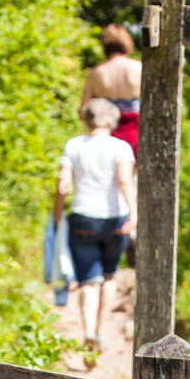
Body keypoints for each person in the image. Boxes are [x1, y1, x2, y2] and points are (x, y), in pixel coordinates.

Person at [53, 97, 137, 354]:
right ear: (112, 120)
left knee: (89, 281)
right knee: (109, 277)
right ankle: (100, 330)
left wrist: (57, 218)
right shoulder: (121, 147)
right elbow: (124, 181)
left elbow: (62, 183)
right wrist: (134, 214)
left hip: (83, 217)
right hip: (115, 218)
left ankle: (88, 330)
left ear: (87, 118)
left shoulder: (74, 145)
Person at [80, 24, 141, 160]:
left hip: (106, 134)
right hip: (136, 134)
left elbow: (83, 112)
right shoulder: (139, 69)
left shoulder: (95, 73)